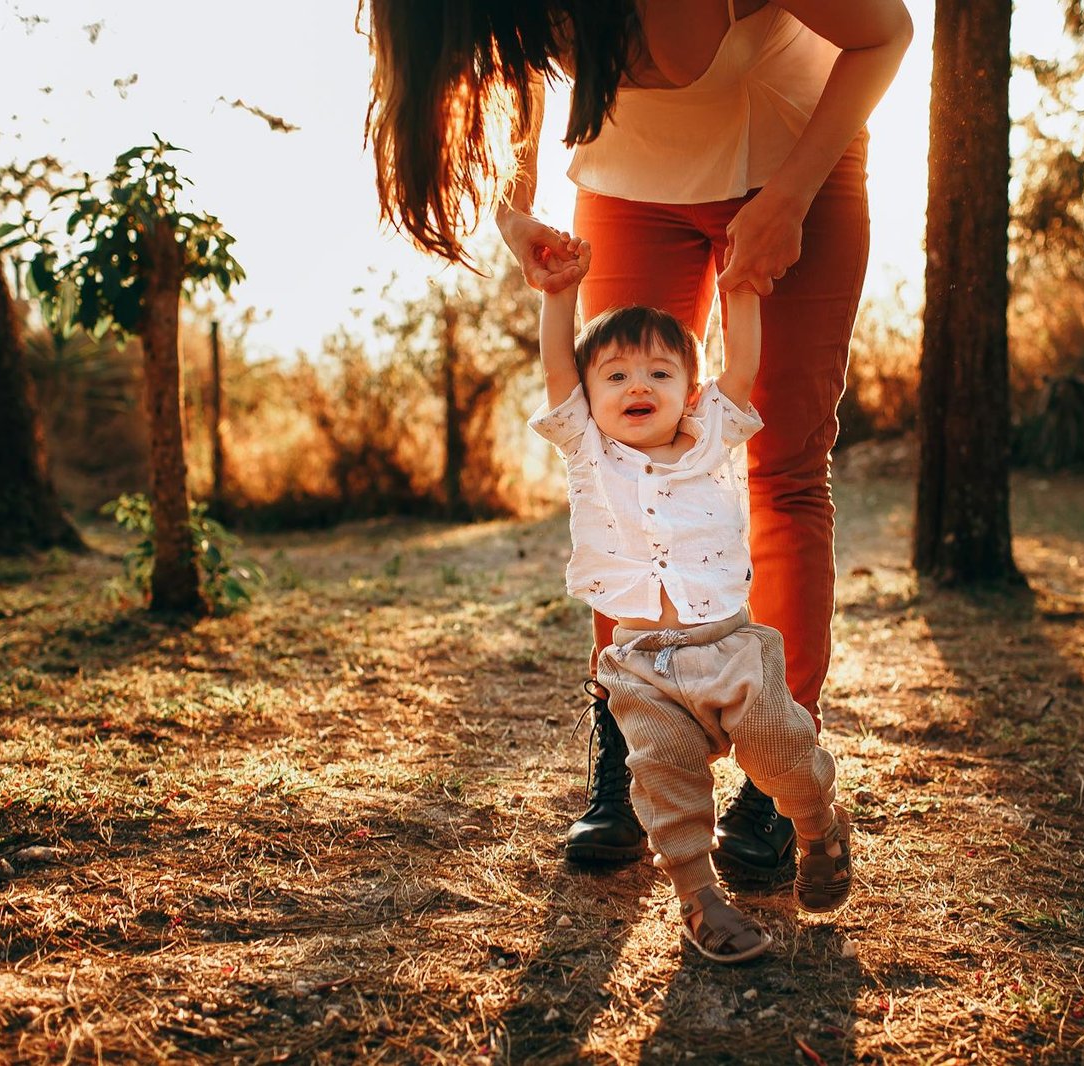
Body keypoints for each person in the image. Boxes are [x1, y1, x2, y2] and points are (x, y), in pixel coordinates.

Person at [366, 0, 912, 881]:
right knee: (617, 470)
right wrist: (513, 214)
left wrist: (791, 198)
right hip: (627, 184)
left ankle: (778, 773)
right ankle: (626, 757)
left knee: (782, 473)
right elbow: (512, 69)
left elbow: (885, 32)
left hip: (791, 160)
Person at [531, 232, 851, 962]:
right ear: (588, 396)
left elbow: (742, 365)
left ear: (689, 390)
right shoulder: (588, 450)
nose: (635, 386)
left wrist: (741, 290)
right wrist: (559, 297)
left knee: (782, 753)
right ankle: (699, 900)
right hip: (641, 665)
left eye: (658, 372)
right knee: (665, 776)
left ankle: (817, 825)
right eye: (613, 376)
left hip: (730, 649)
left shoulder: (711, 440)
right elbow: (558, 366)